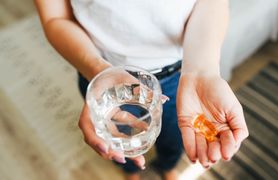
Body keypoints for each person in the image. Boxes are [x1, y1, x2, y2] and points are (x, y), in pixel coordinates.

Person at [35, 0, 249, 180]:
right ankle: (131, 172)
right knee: (121, 141)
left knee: (175, 138)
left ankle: (168, 168)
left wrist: (202, 71)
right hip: (104, 78)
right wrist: (98, 71)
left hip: (180, 76)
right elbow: (56, 18)